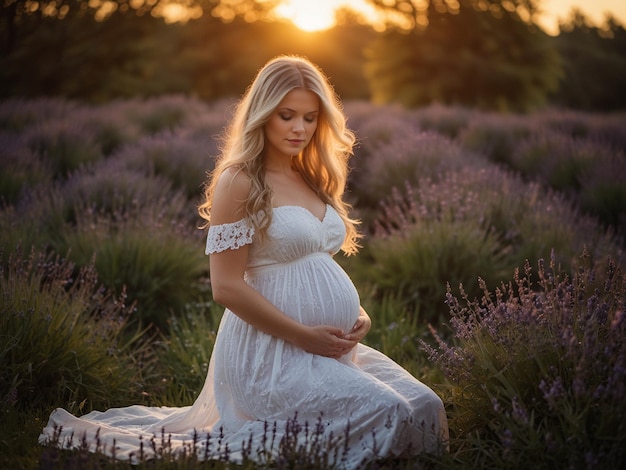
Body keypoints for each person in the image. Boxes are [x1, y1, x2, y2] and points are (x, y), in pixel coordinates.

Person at [39, 55, 448, 468]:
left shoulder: (310, 175)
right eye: (286, 115)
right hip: (271, 357)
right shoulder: (239, 182)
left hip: (331, 351)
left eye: (309, 118)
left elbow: (315, 263)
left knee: (425, 407)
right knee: (393, 413)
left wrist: (360, 316)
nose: (299, 129)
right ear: (263, 113)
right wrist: (304, 336)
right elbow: (226, 287)